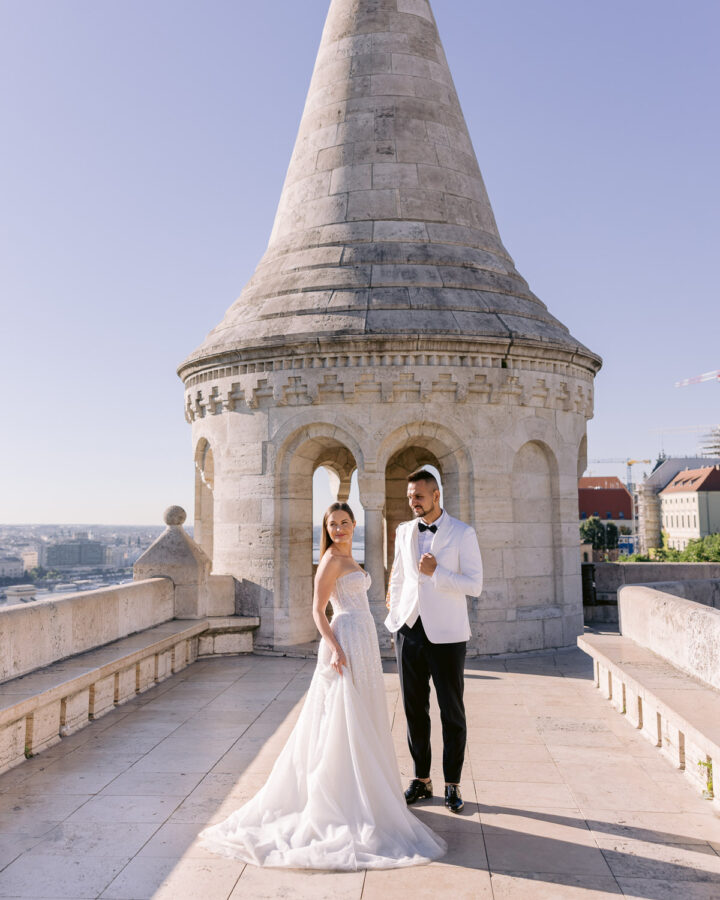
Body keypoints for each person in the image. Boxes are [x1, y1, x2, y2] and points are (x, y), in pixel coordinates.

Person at [199, 501, 446, 870]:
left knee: (364, 713)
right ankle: (343, 799)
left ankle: (370, 795)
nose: (340, 529)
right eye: (333, 524)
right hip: (344, 638)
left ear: (354, 523)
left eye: (345, 523)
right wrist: (334, 647)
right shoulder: (330, 561)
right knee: (341, 720)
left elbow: (361, 595)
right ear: (326, 528)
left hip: (362, 638)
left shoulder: (352, 556)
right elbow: (318, 610)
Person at [385, 470, 483, 814]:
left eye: (419, 497)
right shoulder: (403, 531)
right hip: (409, 630)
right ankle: (421, 780)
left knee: (451, 711)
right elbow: (398, 574)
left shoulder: (462, 533)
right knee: (414, 710)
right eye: (410, 497)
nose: (413, 503)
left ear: (436, 495)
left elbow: (475, 585)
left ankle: (452, 784)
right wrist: (395, 612)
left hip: (447, 634)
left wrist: (436, 573)